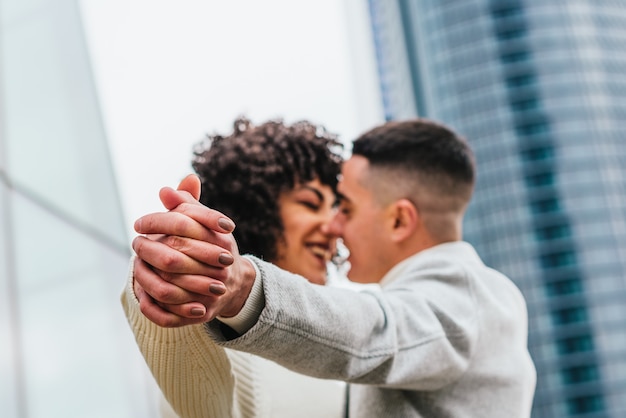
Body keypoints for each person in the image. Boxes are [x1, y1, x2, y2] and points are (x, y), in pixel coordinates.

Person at [131, 118, 537, 417]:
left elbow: (377, 331)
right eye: (315, 204)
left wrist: (241, 286)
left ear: (399, 220)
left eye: (346, 207)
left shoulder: (468, 295)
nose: (335, 226)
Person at [122, 117, 349, 417]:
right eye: (310, 204)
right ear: (257, 209)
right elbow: (197, 382)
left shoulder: (342, 350)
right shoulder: (223, 349)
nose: (334, 227)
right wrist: (168, 279)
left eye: (336, 210)